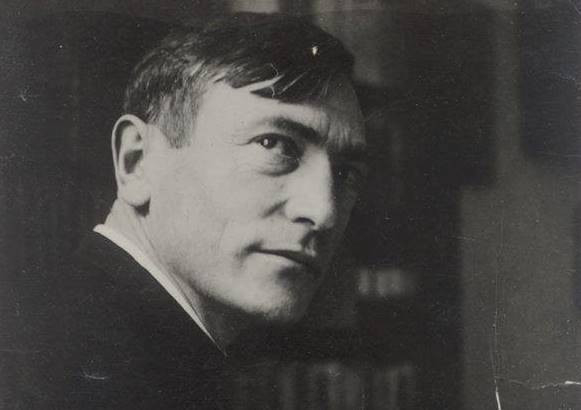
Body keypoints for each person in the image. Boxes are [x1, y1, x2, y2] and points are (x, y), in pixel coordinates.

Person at [14, 12, 368, 409]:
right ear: (137, 162)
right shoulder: (63, 372)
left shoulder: (102, 346)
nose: (324, 211)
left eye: (346, 173)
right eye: (274, 144)